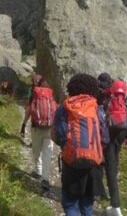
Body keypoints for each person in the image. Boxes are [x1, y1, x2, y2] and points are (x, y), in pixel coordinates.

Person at [52, 74, 106, 216]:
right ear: (93, 89)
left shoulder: (64, 108)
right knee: (87, 205)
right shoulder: (97, 109)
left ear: (71, 88)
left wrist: (68, 146)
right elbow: (105, 139)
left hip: (71, 163)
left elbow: (58, 136)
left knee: (70, 204)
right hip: (94, 166)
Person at [98, 73, 127, 216]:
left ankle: (115, 206)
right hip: (122, 132)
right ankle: (106, 191)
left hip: (109, 132)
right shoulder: (122, 97)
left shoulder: (105, 96)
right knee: (114, 162)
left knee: (109, 167)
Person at [20, 74, 56, 192]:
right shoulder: (51, 95)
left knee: (36, 150)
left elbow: (29, 111)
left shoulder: (35, 94)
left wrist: (24, 125)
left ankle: (38, 170)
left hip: (36, 128)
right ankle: (45, 178)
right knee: (47, 153)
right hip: (49, 129)